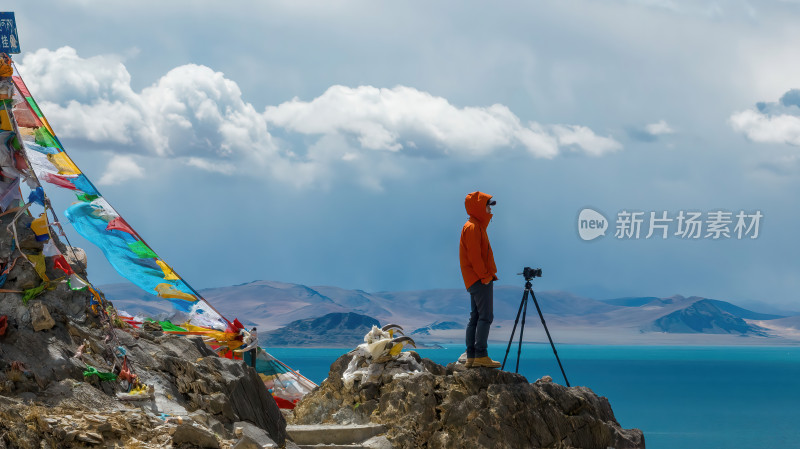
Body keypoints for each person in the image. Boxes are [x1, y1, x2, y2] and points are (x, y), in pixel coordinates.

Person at [460, 191, 501, 369]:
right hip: (479, 279)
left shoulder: (475, 226)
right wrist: (485, 276)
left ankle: (471, 356)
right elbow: (475, 256)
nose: (490, 210)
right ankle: (481, 355)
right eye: (487, 206)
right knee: (485, 316)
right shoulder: (473, 227)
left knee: (475, 317)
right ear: (478, 207)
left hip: (474, 278)